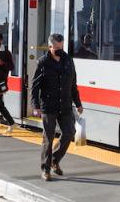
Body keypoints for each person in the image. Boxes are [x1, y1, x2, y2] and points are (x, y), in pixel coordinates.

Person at [31, 33, 83, 181]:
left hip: (65, 105)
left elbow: (73, 84)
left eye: (61, 47)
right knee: (48, 138)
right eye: (56, 48)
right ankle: (45, 169)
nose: (60, 50)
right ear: (50, 47)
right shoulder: (43, 62)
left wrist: (78, 103)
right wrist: (36, 106)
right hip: (48, 105)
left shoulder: (68, 60)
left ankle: (54, 160)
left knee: (70, 132)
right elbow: (35, 87)